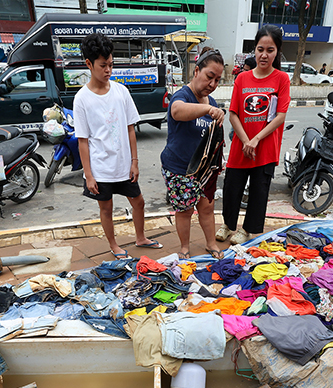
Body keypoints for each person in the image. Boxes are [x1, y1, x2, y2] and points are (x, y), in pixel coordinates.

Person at [73, 32, 161, 259]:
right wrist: (89, 175)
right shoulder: (82, 99)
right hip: (101, 168)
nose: (108, 70)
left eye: (111, 65)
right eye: (103, 65)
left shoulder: (121, 92)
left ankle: (141, 237)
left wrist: (135, 162)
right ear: (88, 64)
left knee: (138, 202)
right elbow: (83, 141)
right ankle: (114, 245)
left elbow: (131, 129)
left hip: (124, 165)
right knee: (106, 208)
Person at [217, 25, 290, 245]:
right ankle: (229, 225)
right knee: (232, 188)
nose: (264, 55)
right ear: (254, 50)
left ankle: (247, 230)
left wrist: (257, 140)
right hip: (242, 146)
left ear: (276, 52)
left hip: (265, 149)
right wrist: (246, 141)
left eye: (270, 50)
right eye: (260, 49)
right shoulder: (242, 79)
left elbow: (280, 116)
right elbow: (233, 113)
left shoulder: (281, 79)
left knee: (258, 192)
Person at [160, 47, 226, 260]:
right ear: (196, 71)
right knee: (185, 210)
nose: (212, 84)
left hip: (203, 170)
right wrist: (206, 111)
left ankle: (211, 244)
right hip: (180, 168)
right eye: (209, 77)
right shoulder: (183, 95)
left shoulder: (212, 102)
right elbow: (177, 111)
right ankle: (184, 248)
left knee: (207, 208)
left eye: (217, 80)